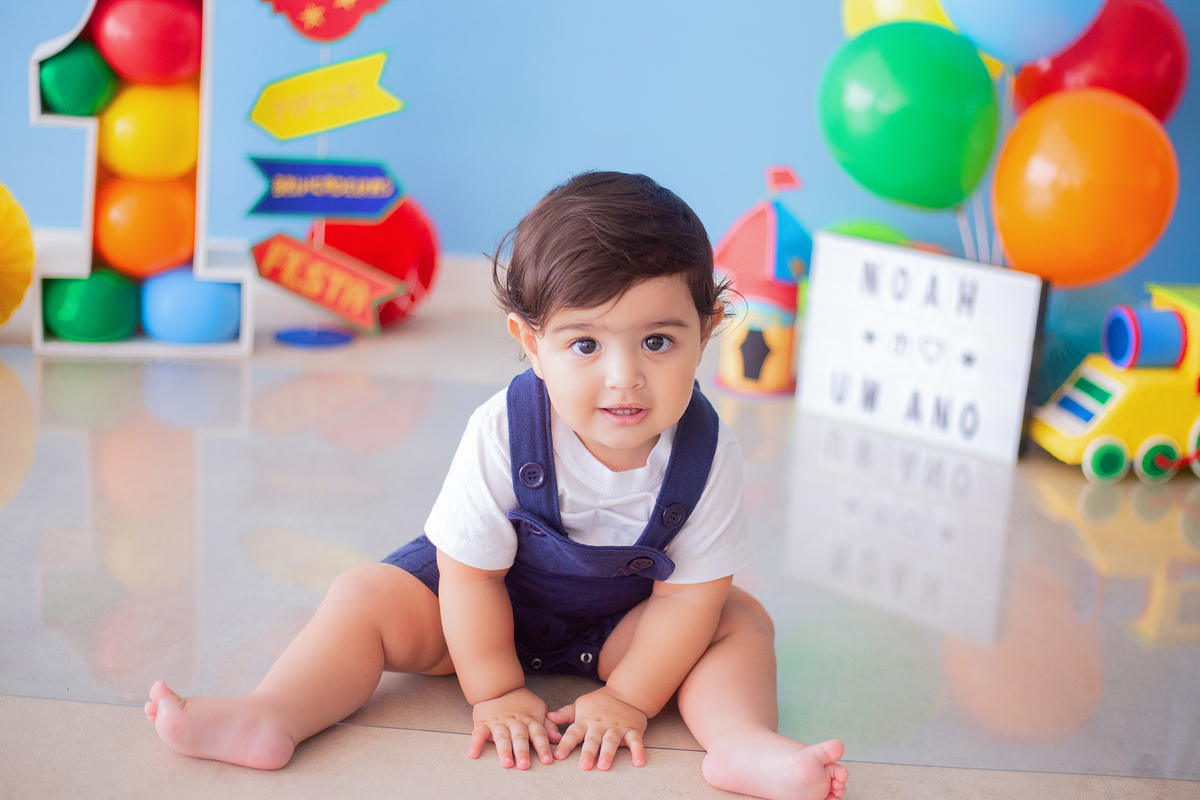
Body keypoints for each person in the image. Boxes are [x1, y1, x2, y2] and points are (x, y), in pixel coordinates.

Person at [145, 171, 849, 800]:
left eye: (657, 342)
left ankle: (739, 744)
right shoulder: (503, 431)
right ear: (530, 342)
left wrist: (630, 697)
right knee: (363, 596)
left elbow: (686, 601)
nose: (623, 377)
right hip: (475, 611)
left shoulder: (706, 450)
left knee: (739, 621)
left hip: (623, 631)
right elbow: (468, 575)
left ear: (709, 327)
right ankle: (274, 714)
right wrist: (496, 689)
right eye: (585, 344)